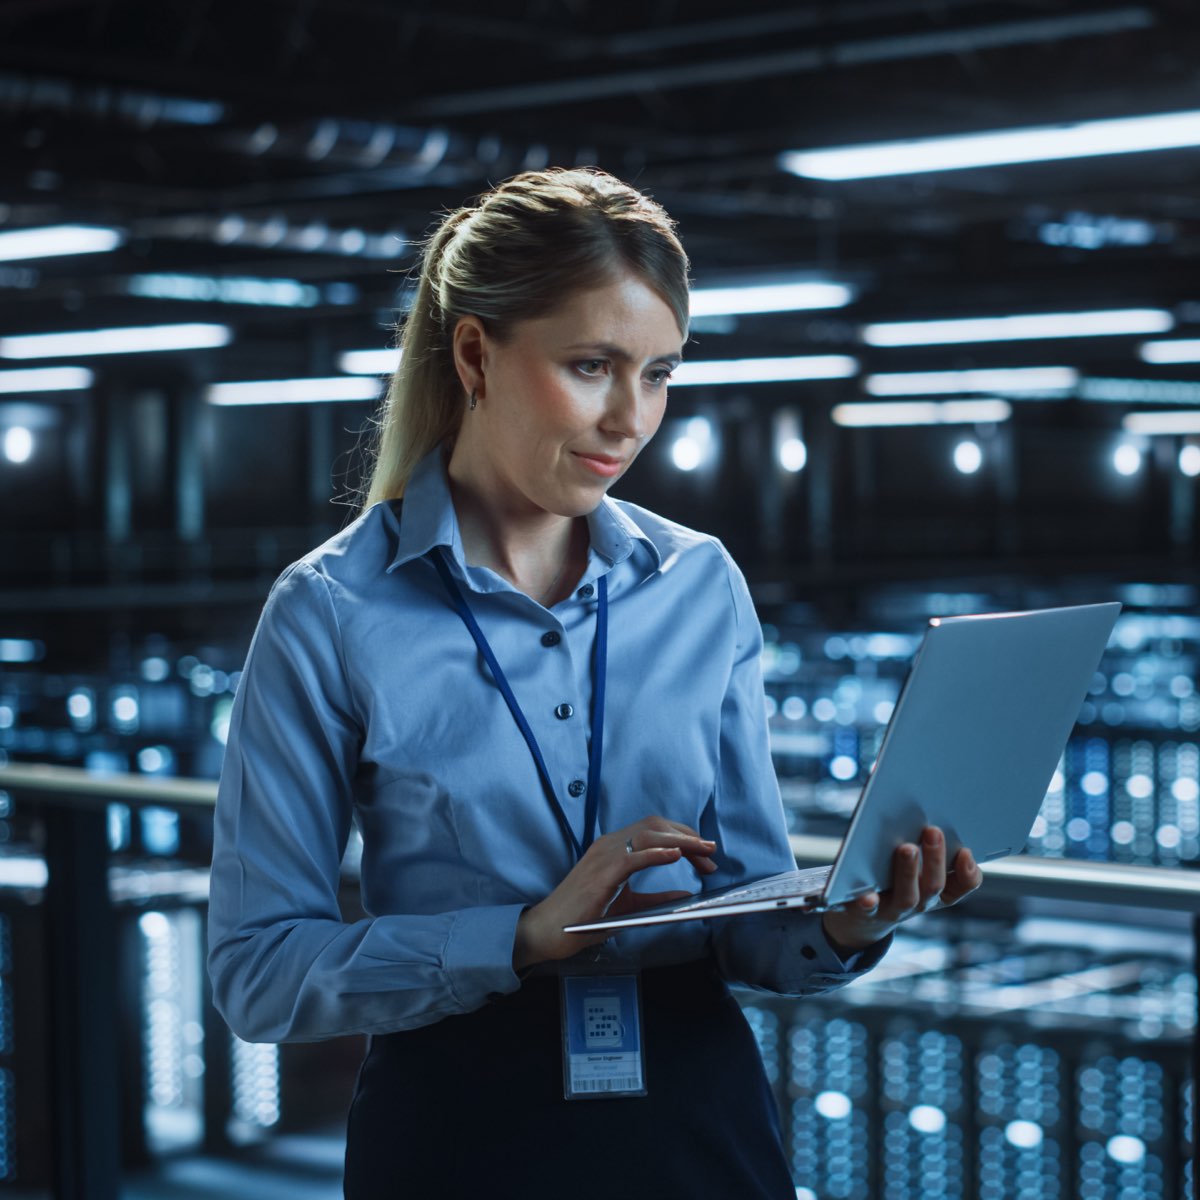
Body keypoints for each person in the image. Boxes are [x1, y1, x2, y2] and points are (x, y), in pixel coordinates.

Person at [207, 166, 982, 1199]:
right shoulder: (330, 612)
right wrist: (519, 941)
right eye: (591, 366)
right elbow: (257, 977)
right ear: (476, 352)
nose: (630, 419)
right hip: (462, 1132)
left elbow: (746, 912)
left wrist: (848, 921)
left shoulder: (702, 584)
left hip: (699, 1122)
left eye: (659, 373)